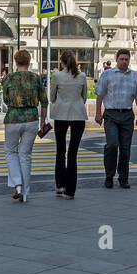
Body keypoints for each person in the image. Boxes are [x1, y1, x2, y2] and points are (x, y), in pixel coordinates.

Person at [1, 49, 47, 202]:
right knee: (25, 155)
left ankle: (17, 184)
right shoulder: (36, 78)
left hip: (13, 119)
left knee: (10, 152)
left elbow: (5, 98)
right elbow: (44, 101)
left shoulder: (9, 78)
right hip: (31, 119)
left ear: (16, 62)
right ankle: (24, 192)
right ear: (29, 62)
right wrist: (42, 121)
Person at [94, 49, 137, 188]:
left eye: (126, 59)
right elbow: (99, 94)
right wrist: (98, 113)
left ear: (129, 60)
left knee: (125, 148)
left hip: (127, 115)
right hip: (111, 115)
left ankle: (123, 178)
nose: (124, 61)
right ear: (117, 60)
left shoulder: (135, 76)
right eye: (121, 59)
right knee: (112, 145)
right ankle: (109, 176)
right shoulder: (108, 75)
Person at [49, 52, 89, 199]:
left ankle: (60, 185)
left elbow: (52, 97)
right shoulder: (82, 76)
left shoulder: (57, 76)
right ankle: (70, 191)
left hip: (60, 115)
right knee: (73, 153)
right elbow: (84, 97)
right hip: (78, 115)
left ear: (62, 62)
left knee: (60, 151)